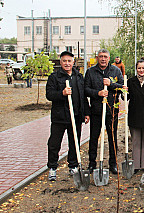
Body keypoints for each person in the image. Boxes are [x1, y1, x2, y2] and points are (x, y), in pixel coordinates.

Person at [46, 51, 90, 181]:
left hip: (75, 116)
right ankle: (53, 168)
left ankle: (73, 166)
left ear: (73, 62)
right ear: (60, 62)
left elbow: (83, 96)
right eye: (64, 61)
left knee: (74, 142)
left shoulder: (78, 76)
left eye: (69, 61)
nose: (67, 63)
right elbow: (49, 95)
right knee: (54, 143)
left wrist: (86, 112)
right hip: (59, 117)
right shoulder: (54, 77)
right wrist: (62, 93)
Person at [84, 49, 125, 174]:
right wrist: (98, 93)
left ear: (109, 58)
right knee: (94, 138)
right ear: (97, 58)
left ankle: (113, 164)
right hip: (96, 110)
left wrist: (111, 84)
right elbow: (85, 90)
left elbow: (122, 87)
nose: (103, 59)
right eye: (101, 56)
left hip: (111, 111)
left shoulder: (116, 71)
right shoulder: (91, 72)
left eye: (105, 57)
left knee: (112, 138)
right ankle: (92, 163)